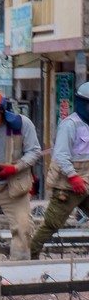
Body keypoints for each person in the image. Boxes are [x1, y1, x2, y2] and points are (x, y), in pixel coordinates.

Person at [0, 88, 44, 259]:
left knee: (23, 227)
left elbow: (34, 152)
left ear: (2, 110)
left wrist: (15, 167)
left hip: (13, 186)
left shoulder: (21, 125)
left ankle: (20, 266)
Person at [33, 85, 89, 256]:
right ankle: (31, 253)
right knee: (52, 223)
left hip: (86, 181)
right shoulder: (70, 125)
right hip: (67, 185)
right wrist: (73, 176)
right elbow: (61, 155)